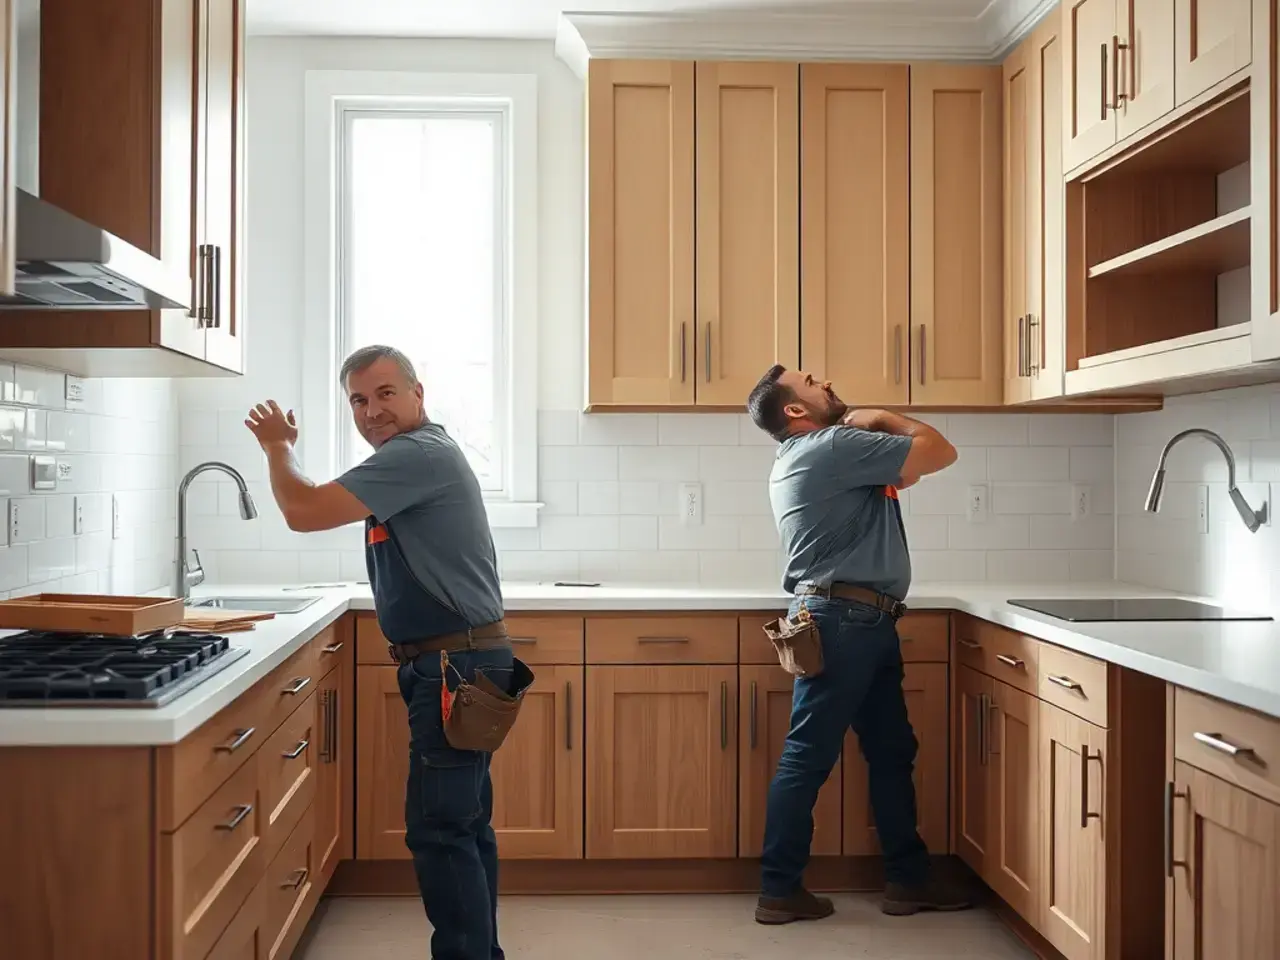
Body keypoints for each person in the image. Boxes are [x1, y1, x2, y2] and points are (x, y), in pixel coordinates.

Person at [245, 344, 510, 960]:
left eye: (386, 394)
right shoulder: (416, 456)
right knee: (462, 826)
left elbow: (304, 511)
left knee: (441, 830)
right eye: (359, 401)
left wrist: (278, 448)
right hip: (462, 662)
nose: (372, 411)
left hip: (455, 666)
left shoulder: (416, 455)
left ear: (419, 394)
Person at [745, 364, 971, 924]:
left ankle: (908, 880)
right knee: (808, 757)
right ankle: (779, 889)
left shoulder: (818, 453)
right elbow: (939, 452)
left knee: (891, 750)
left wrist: (872, 430)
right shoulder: (829, 445)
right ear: (795, 410)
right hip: (845, 620)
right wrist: (884, 417)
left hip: (856, 619)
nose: (825, 381)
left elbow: (912, 472)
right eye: (811, 381)